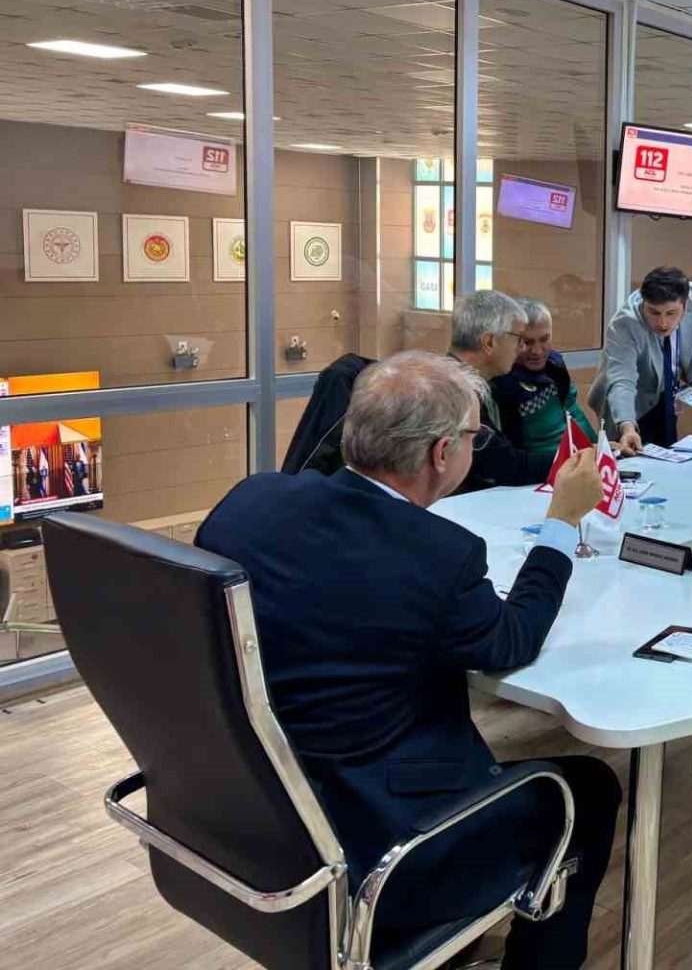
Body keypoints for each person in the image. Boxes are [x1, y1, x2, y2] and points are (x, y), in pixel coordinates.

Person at [196, 352, 620, 970]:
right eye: (475, 436)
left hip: (252, 813)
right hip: (384, 842)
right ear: (442, 453)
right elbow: (512, 640)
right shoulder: (439, 555)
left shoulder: (250, 500)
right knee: (589, 789)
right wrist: (561, 520)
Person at [589, 266, 692, 455]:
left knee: (667, 452)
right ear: (644, 302)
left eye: (671, 313)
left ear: (685, 304)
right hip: (630, 399)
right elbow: (622, 380)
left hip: (666, 390)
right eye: (654, 313)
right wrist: (627, 427)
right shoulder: (624, 324)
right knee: (631, 454)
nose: (662, 323)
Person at [448, 290, 544, 490]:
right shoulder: (454, 393)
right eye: (519, 338)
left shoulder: (484, 382)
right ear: (489, 342)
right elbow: (506, 465)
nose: (522, 348)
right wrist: (576, 459)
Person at [492, 299, 597, 469]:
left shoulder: (555, 365)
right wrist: (568, 460)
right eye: (527, 342)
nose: (537, 351)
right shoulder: (503, 382)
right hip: (539, 470)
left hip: (577, 460)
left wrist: (599, 450)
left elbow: (573, 411)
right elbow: (512, 456)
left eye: (544, 339)